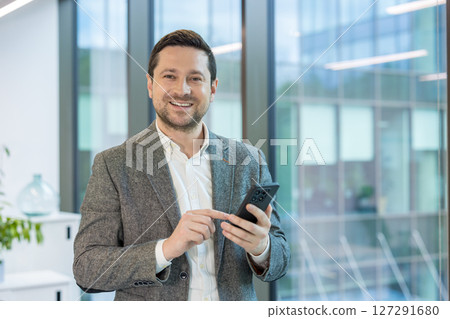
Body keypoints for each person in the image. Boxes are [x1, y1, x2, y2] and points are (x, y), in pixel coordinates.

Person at [73, 29, 290, 301]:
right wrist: (166, 249)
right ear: (151, 85)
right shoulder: (113, 165)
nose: (182, 89)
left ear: (212, 88)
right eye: (169, 76)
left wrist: (262, 247)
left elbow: (281, 255)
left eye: (195, 78)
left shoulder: (248, 160)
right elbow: (87, 269)